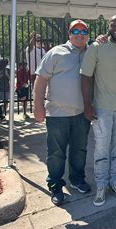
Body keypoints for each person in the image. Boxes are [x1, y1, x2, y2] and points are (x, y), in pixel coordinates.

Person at [33, 19, 91, 206]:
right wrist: (38, 107)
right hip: (57, 114)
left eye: (83, 31)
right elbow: (41, 80)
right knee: (56, 153)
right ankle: (56, 185)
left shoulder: (92, 52)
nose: (79, 35)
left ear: (87, 35)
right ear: (69, 33)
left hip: (82, 114)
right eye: (76, 31)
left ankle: (77, 179)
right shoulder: (55, 52)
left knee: (79, 150)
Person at [81, 16, 116, 207]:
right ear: (108, 27)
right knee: (101, 147)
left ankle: (115, 181)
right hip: (102, 106)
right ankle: (101, 185)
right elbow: (85, 76)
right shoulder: (96, 46)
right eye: (113, 25)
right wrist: (87, 105)